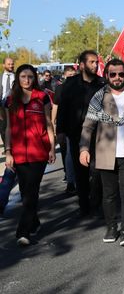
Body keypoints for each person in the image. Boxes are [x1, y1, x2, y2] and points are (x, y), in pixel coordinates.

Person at [80, 59, 124, 247]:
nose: (117, 77)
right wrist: (84, 148)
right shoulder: (99, 97)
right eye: (113, 74)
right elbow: (88, 125)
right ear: (107, 75)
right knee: (109, 195)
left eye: (121, 74)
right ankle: (111, 227)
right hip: (106, 153)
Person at [4, 64, 56, 246]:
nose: (27, 80)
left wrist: (51, 148)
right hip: (18, 153)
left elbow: (49, 124)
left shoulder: (43, 98)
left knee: (31, 192)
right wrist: (8, 151)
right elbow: (9, 128)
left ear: (35, 78)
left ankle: (22, 232)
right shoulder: (10, 100)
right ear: (18, 78)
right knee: (26, 191)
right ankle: (34, 222)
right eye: (23, 77)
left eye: (30, 77)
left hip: (38, 152)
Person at [56, 50, 105, 218]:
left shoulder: (101, 84)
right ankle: (84, 205)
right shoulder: (69, 84)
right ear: (82, 65)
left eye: (96, 62)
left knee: (97, 171)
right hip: (76, 134)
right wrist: (60, 131)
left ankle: (96, 203)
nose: (95, 65)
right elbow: (62, 108)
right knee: (81, 172)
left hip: (98, 135)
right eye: (92, 62)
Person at [52, 65, 79, 194]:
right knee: (68, 153)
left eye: (73, 75)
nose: (71, 77)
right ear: (64, 75)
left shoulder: (81, 88)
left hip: (80, 125)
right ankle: (70, 180)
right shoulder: (60, 88)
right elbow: (56, 106)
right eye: (69, 75)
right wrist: (53, 123)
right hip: (66, 126)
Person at [0, 57, 15, 144]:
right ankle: (7, 148)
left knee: (15, 129)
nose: (11, 66)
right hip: (2, 107)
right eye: (9, 64)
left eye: (12, 64)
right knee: (3, 129)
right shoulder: (0, 77)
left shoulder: (18, 76)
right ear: (3, 65)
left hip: (15, 107)